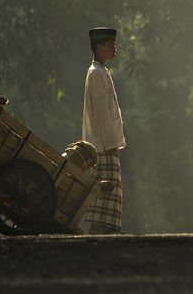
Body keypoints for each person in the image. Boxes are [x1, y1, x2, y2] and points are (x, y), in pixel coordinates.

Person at [82, 27, 126, 234]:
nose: (114, 49)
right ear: (98, 48)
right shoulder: (97, 74)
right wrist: (110, 144)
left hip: (105, 141)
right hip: (103, 143)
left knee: (109, 185)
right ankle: (101, 229)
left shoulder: (101, 72)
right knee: (108, 185)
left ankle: (105, 228)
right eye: (110, 45)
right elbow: (101, 113)